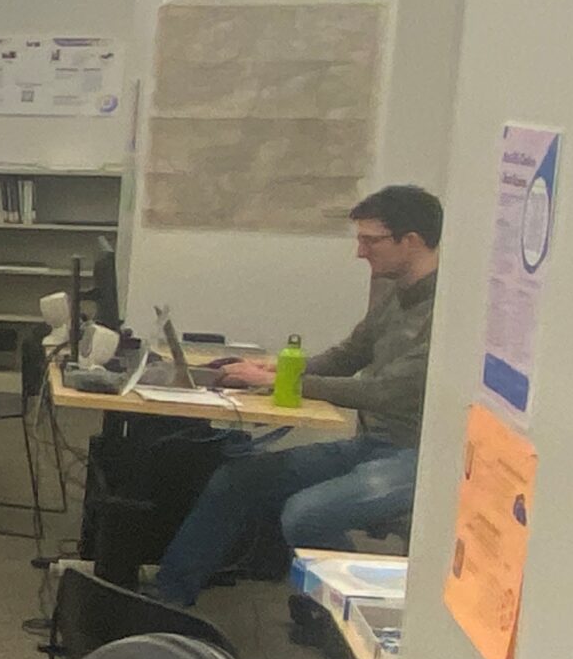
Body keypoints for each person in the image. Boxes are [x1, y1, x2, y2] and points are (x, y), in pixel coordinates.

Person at [148, 185, 440, 607]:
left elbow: (384, 392)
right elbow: (350, 353)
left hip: (415, 458)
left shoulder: (443, 314)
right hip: (372, 445)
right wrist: (280, 371)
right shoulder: (396, 294)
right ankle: (168, 597)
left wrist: (282, 385)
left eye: (370, 240)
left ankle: (353, 614)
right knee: (238, 478)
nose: (361, 252)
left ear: (410, 241)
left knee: (305, 514)